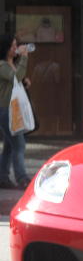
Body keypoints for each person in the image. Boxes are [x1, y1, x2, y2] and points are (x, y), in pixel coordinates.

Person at [0, 34, 30, 189]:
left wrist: (24, 82)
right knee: (19, 145)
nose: (15, 48)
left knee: (9, 146)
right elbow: (15, 77)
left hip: (13, 109)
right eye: (12, 46)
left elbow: (17, 79)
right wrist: (24, 58)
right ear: (5, 49)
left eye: (15, 45)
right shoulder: (2, 65)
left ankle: (3, 177)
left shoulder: (11, 64)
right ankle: (22, 178)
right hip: (6, 111)